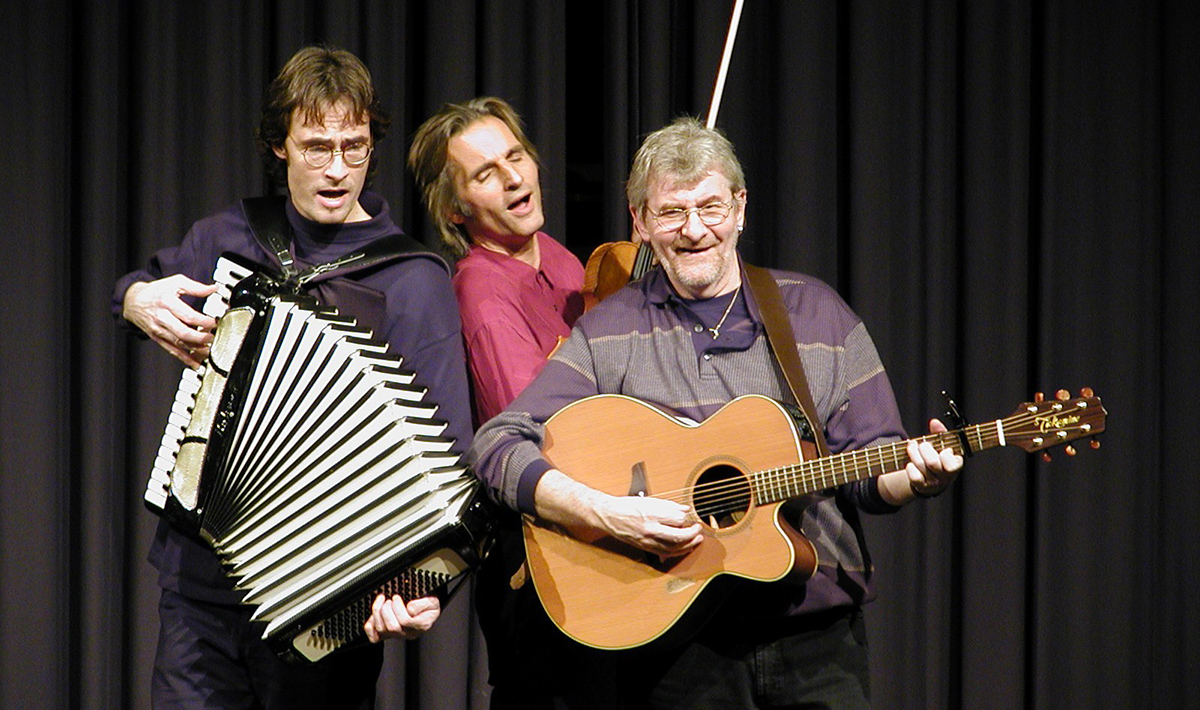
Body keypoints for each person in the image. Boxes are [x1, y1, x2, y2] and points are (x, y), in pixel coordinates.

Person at [467, 117, 964, 709]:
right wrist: (607, 511)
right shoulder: (608, 331)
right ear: (642, 222)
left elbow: (868, 466)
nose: (695, 230)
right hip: (676, 648)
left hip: (816, 640)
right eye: (672, 212)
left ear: (741, 208)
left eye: (711, 207)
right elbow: (498, 445)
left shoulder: (815, 314)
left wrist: (913, 476)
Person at [112, 45, 473, 709]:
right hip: (200, 584)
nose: (338, 169)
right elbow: (140, 287)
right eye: (316, 146)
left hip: (325, 595)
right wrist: (136, 299)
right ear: (279, 146)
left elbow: (451, 464)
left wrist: (421, 589)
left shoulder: (412, 281)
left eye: (354, 146)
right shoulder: (230, 235)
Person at [408, 97, 584, 425]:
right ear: (455, 209)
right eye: (485, 174)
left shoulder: (554, 254)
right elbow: (534, 431)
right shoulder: (483, 295)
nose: (513, 178)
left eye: (515, 157)